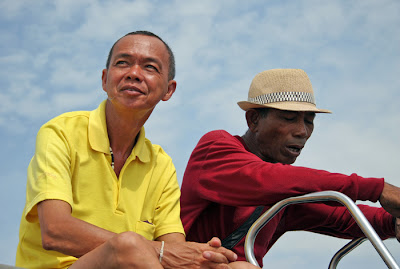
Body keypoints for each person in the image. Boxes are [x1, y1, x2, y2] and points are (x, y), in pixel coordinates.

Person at [16, 31, 240, 269]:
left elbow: (175, 250)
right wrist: (157, 250)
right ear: (105, 79)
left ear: (168, 90)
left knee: (238, 267)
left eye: (150, 67)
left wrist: (203, 258)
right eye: (122, 63)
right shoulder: (61, 132)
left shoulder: (161, 164)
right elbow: (55, 230)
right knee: (128, 246)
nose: (133, 74)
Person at [180, 68, 400, 267]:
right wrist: (376, 189)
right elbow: (265, 179)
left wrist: (393, 221)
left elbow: (339, 216)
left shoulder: (284, 198)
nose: (302, 131)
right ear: (253, 119)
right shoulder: (216, 147)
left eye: (309, 121)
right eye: (289, 118)